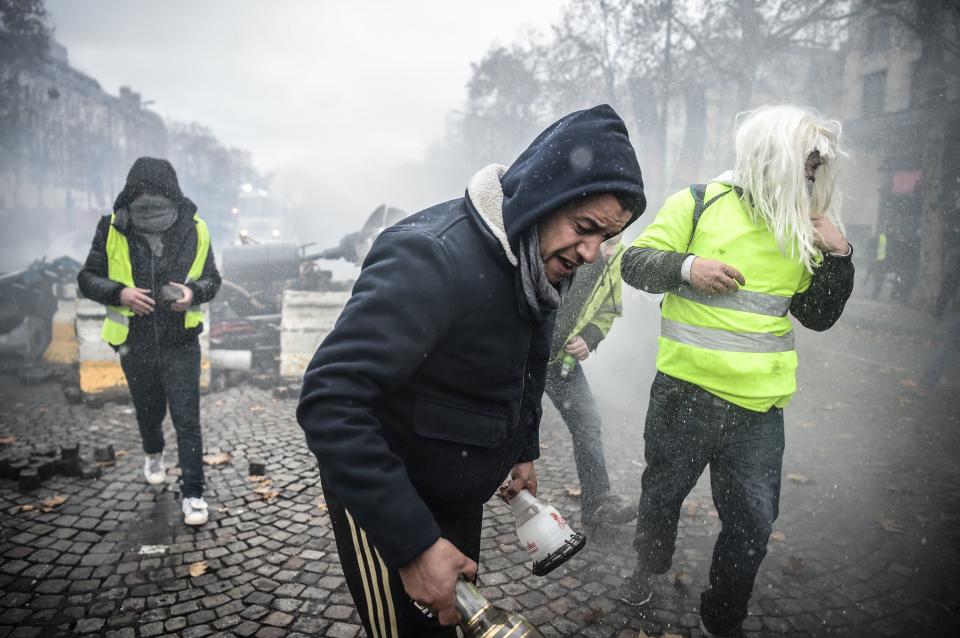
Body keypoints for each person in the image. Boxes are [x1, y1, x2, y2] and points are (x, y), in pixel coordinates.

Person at [297, 104, 646, 637]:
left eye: (607, 237)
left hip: (459, 486)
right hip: (388, 491)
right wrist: (411, 544)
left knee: (446, 624)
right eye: (585, 228)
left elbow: (530, 363)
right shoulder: (430, 255)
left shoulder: (541, 258)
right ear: (543, 197)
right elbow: (330, 399)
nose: (594, 252)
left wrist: (520, 448)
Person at [616, 106, 854, 637]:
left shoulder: (806, 227)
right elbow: (633, 263)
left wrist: (840, 255)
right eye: (805, 165)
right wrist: (686, 267)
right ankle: (647, 567)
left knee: (753, 523)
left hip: (759, 411)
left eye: (818, 168)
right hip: (683, 394)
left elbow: (818, 316)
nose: (811, 177)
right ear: (772, 157)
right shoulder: (699, 203)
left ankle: (723, 615)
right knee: (661, 496)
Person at [77, 157, 221, 526]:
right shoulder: (112, 226)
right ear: (132, 191)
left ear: (170, 192)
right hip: (134, 342)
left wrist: (192, 293)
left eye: (158, 191)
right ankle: (153, 452)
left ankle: (193, 493)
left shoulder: (195, 227)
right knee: (149, 410)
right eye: (144, 191)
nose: (150, 198)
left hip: (181, 341)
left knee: (187, 419)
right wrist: (120, 293)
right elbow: (87, 278)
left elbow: (212, 280)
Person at [544, 234, 636, 526]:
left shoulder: (616, 257)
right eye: (605, 241)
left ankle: (597, 503)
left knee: (587, 421)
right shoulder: (564, 241)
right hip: (525, 354)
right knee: (503, 425)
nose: (607, 251)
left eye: (615, 242)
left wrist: (589, 338)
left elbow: (609, 309)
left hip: (561, 362)